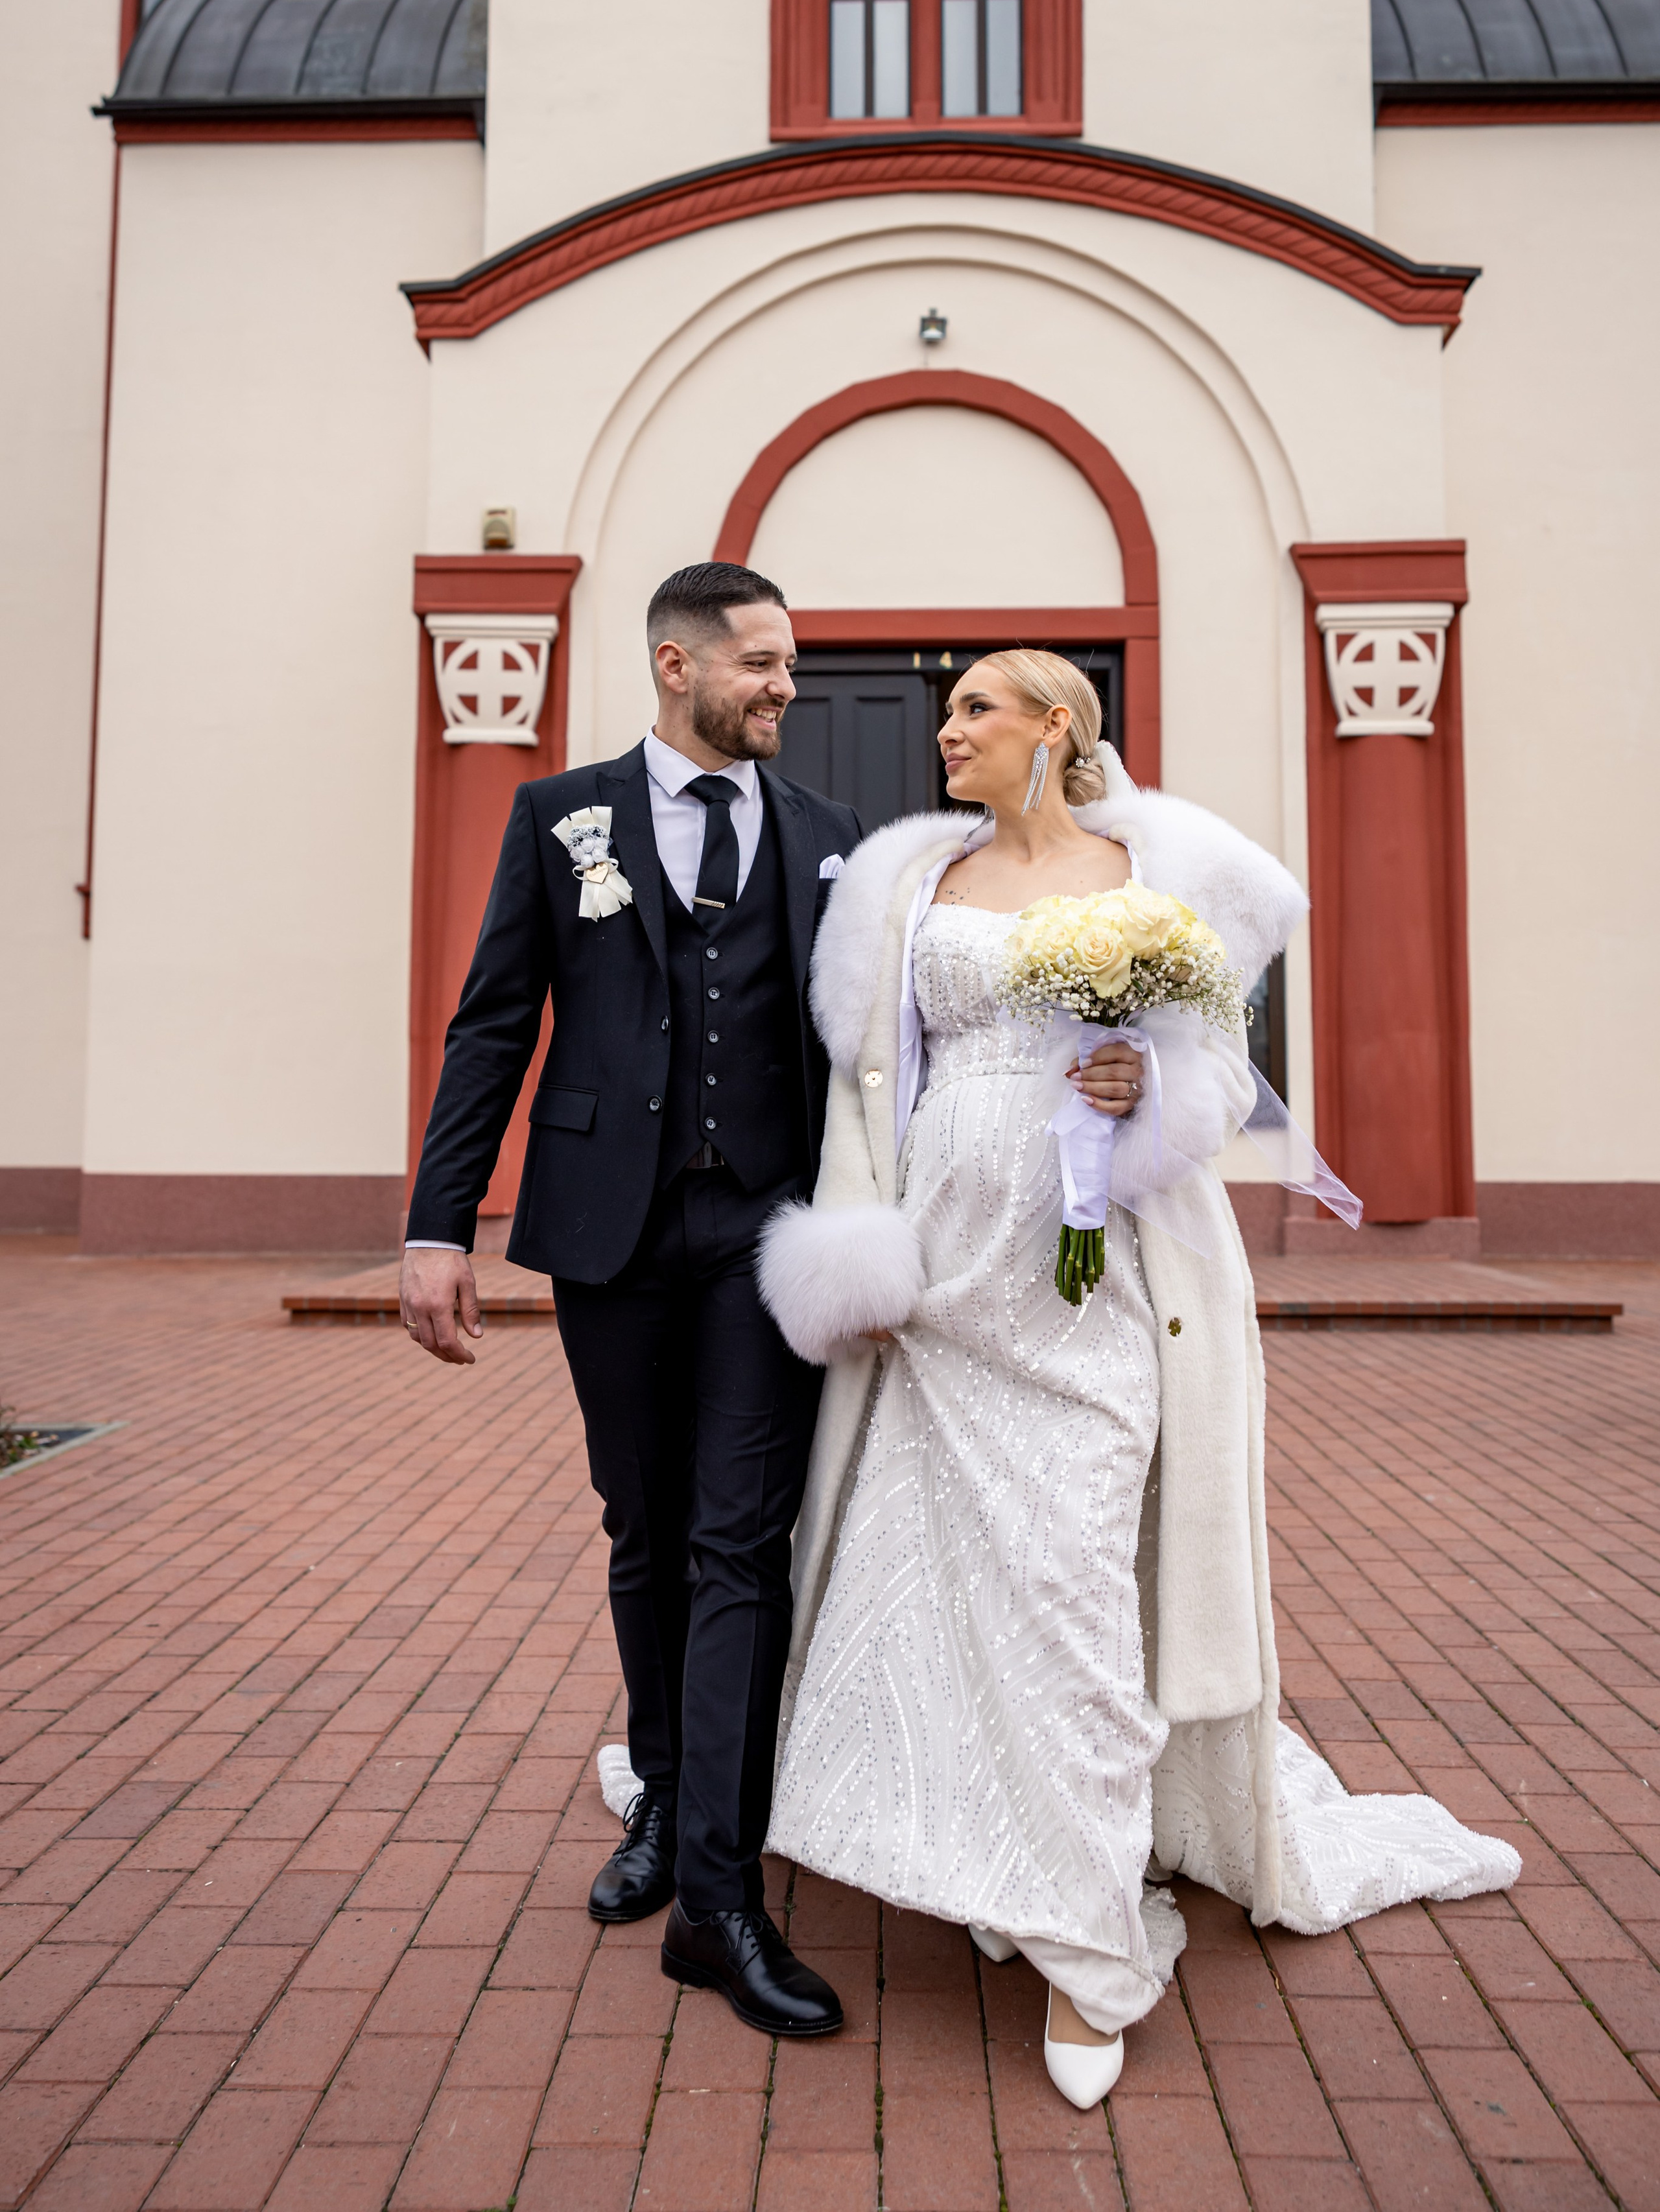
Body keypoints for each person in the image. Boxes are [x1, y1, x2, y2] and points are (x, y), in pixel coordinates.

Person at [749, 649, 1519, 2106]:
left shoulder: (1151, 871)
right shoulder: (908, 882)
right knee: (943, 1579)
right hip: (943, 1282)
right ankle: (992, 1847)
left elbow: (1219, 1076)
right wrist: (862, 1254)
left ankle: (1089, 1951)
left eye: (976, 707)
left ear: (1056, 726)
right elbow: (865, 1077)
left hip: (1089, 1288)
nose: (946, 730)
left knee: (1072, 1595)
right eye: (945, 711)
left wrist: (1139, 1087)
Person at [399, 563, 860, 2040]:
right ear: (678, 666)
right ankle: (664, 1801)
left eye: (791, 664)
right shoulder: (562, 818)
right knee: (645, 1532)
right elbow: (490, 1027)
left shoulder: (825, 837)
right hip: (607, 1227)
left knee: (743, 1543)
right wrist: (433, 1227)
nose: (788, 686)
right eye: (766, 664)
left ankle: (721, 1897)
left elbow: (882, 1049)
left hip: (763, 1234)